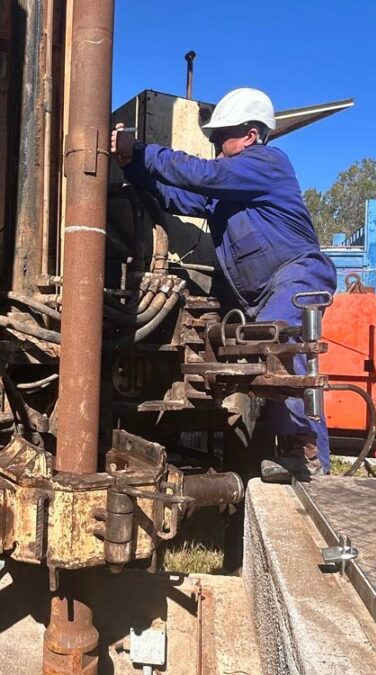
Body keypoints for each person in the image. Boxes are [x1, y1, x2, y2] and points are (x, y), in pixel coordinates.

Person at [110, 87, 336, 481]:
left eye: (221, 137)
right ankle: (295, 454)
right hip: (259, 293)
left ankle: (305, 451)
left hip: (297, 273)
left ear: (250, 134)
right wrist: (131, 166)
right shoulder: (230, 191)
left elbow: (202, 174)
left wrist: (143, 149)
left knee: (280, 345)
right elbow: (177, 197)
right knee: (269, 357)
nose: (216, 146)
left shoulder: (267, 162)